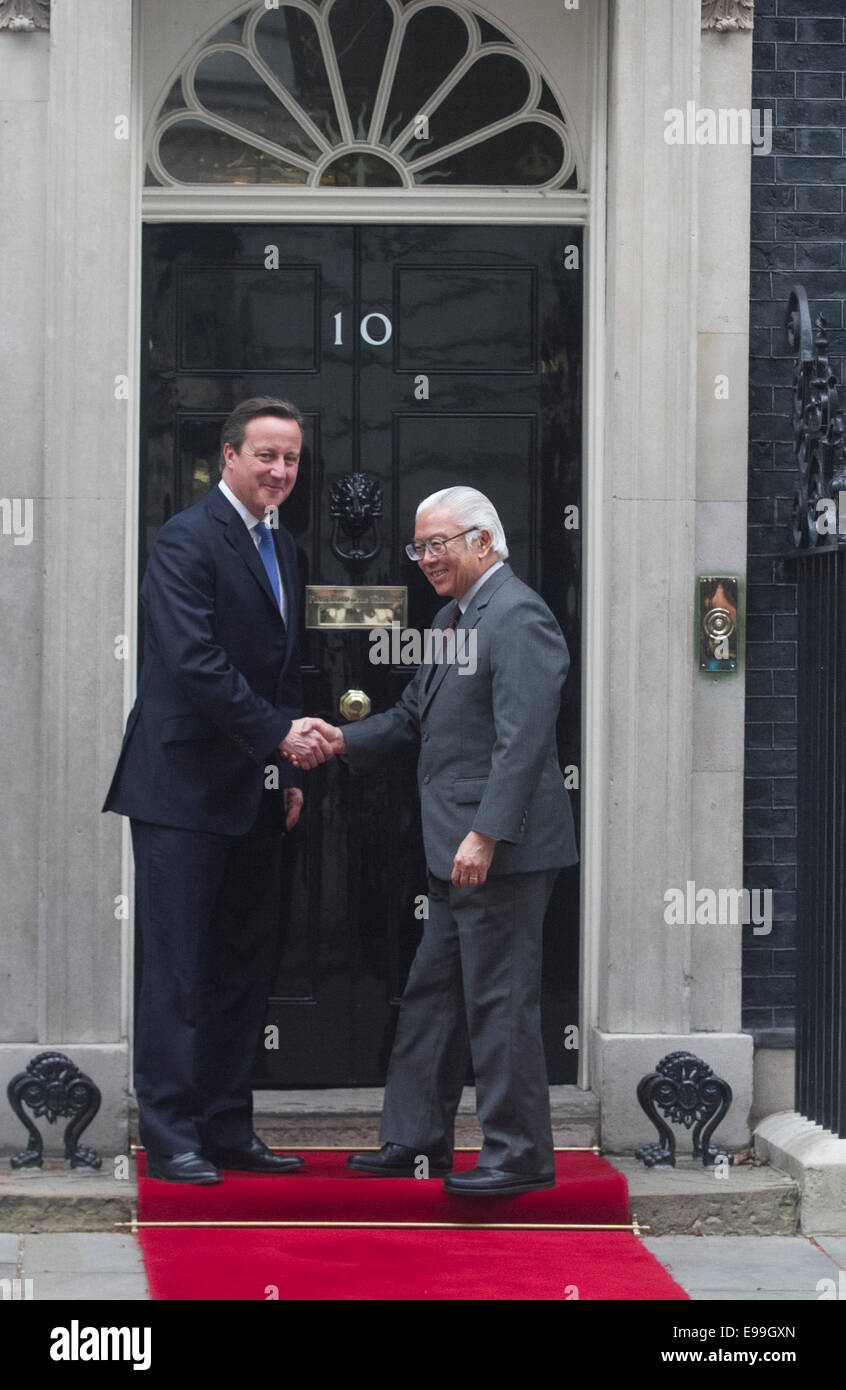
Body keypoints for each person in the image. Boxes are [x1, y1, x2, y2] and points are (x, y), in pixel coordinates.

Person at [287, 487, 578, 1197]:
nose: (424, 559)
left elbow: (523, 742)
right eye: (419, 547)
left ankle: (519, 1155)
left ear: (483, 541)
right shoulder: (456, 620)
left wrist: (484, 833)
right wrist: (339, 740)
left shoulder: (518, 617)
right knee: (435, 995)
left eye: (436, 544)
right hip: (458, 854)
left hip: (499, 852)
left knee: (500, 1002)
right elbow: (413, 719)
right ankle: (415, 1141)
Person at [103, 397, 333, 1184]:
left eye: (291, 459)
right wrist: (279, 735)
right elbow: (196, 663)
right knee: (178, 971)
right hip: (180, 793)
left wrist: (281, 772)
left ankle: (229, 1128)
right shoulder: (185, 539)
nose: (279, 471)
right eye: (266, 455)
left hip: (254, 791)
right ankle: (171, 1137)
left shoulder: (286, 548)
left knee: (243, 968)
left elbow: (276, 667)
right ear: (229, 456)